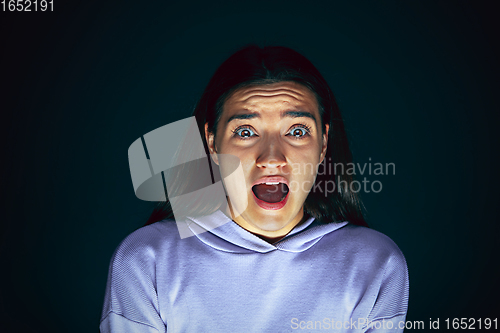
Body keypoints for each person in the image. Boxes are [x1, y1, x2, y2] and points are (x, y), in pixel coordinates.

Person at [100, 45, 409, 332]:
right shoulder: (146, 260)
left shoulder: (375, 264)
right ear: (211, 144)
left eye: (297, 131)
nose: (272, 158)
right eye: (246, 131)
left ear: (323, 144)